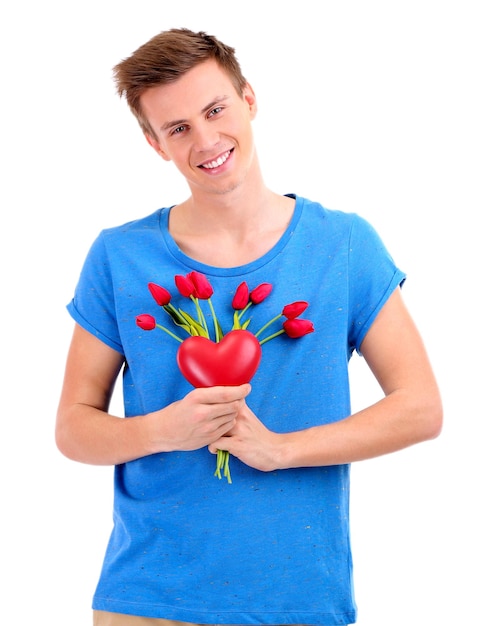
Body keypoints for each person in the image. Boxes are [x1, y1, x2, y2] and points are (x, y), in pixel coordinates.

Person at [55, 27, 443, 626]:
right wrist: (163, 429)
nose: (207, 140)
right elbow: (73, 429)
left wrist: (281, 450)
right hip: (149, 602)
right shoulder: (118, 256)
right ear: (155, 143)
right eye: (178, 128)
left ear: (249, 99)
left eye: (215, 110)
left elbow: (421, 408)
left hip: (299, 602)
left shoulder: (341, 245)